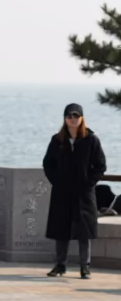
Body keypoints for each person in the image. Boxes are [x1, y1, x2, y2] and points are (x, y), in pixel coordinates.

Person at [43, 102, 106, 279]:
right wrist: (56, 181)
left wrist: (89, 183)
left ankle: (85, 267)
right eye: (70, 116)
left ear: (82, 118)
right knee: (61, 230)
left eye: (76, 116)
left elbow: (100, 165)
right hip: (62, 193)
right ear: (65, 119)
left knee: (84, 232)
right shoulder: (57, 140)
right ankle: (60, 265)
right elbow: (48, 164)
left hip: (83, 194)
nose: (73, 119)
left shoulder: (91, 140)